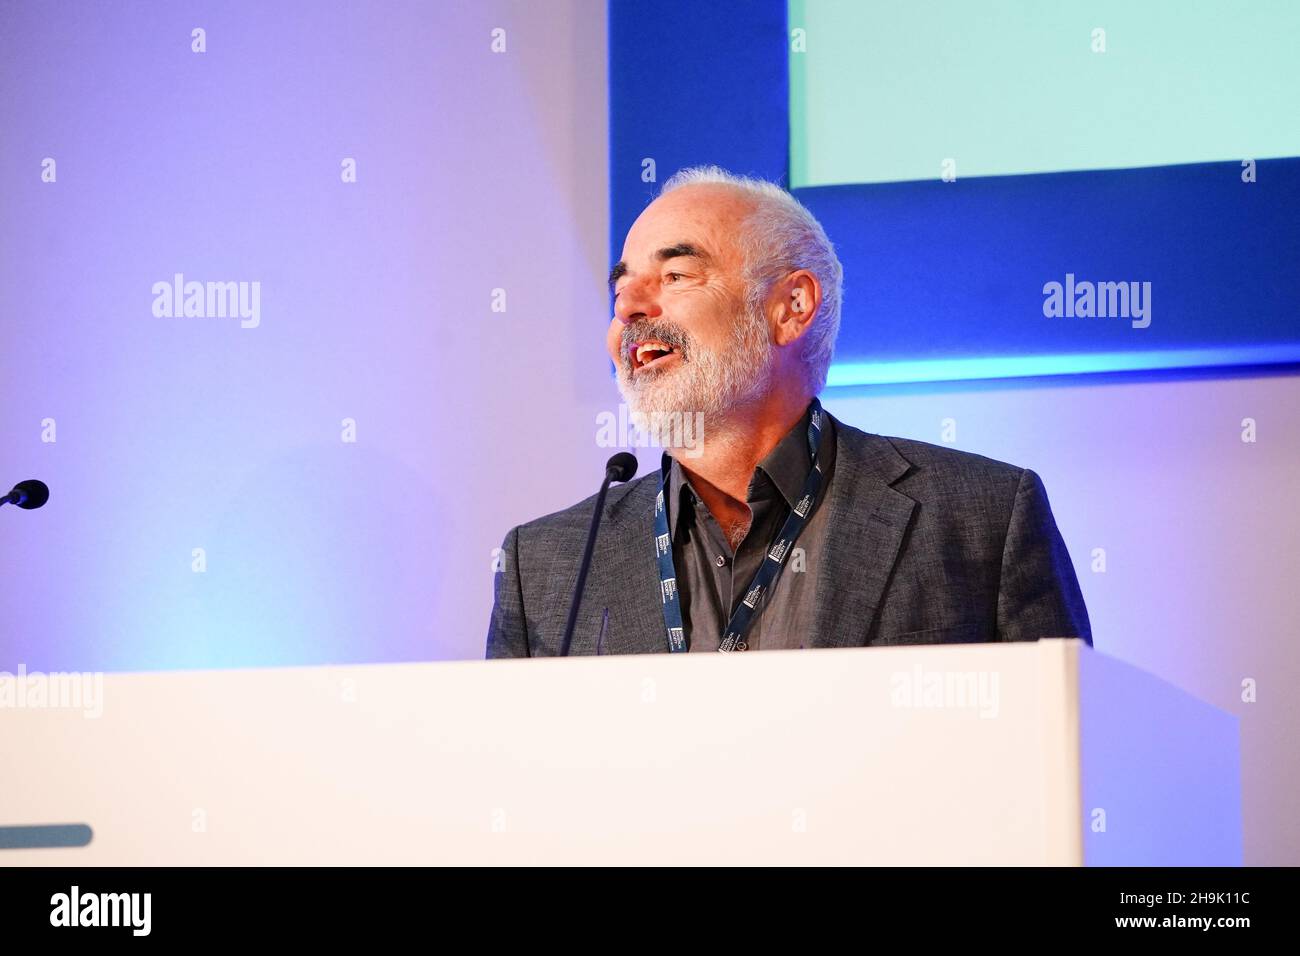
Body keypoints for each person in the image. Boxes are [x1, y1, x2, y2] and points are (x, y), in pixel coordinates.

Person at [487, 166, 1090, 656]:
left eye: (675, 274)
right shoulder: (544, 566)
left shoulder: (980, 521)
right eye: (621, 292)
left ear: (791, 307)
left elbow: (1064, 762)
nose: (631, 310)